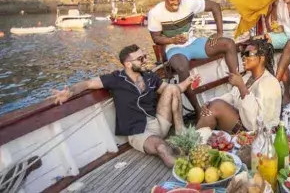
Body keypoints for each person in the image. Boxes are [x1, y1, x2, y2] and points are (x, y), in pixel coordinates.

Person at [51, 44, 199, 168]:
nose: (145, 60)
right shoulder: (116, 79)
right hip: (139, 132)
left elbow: (174, 90)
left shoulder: (149, 76)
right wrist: (69, 92)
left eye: (145, 56)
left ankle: (181, 131)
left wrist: (188, 81)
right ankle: (185, 168)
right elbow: (88, 83)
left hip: (159, 122)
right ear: (128, 64)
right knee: (161, 147)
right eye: (141, 58)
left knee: (171, 88)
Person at [148, 0, 239, 114]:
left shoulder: (189, 3)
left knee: (228, 43)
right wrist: (172, 40)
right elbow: (156, 38)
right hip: (174, 48)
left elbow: (215, 6)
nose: (176, 2)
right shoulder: (155, 13)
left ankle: (236, 87)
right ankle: (198, 110)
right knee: (181, 67)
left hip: (194, 43)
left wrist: (219, 32)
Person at [196, 39, 282, 132]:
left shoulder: (270, 83)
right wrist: (209, 102)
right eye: (243, 54)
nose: (244, 58)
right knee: (210, 109)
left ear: (262, 58)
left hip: (257, 132)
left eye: (248, 54)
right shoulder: (248, 76)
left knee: (216, 107)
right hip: (243, 121)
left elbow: (256, 124)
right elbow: (232, 97)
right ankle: (197, 142)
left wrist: (241, 87)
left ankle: (194, 143)